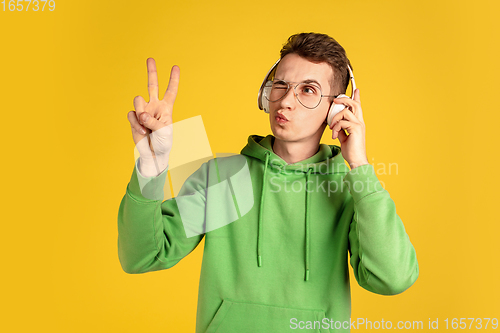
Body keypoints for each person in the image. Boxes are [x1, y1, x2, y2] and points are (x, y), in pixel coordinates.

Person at [118, 32, 419, 333]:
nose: (286, 101)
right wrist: (150, 166)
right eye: (281, 85)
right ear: (266, 94)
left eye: (308, 90)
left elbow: (393, 278)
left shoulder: (351, 188)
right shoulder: (222, 177)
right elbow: (142, 256)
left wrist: (359, 166)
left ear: (337, 109)